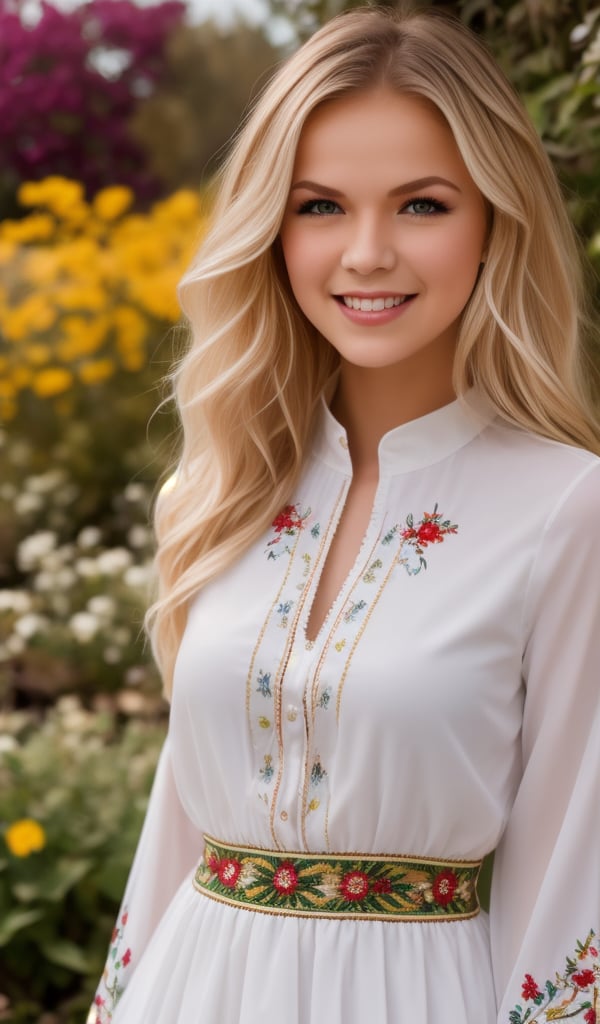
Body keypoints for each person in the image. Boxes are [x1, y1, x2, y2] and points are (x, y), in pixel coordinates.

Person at [90, 5, 600, 1023]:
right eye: (320, 206)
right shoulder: (217, 491)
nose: (367, 253)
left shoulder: (568, 508)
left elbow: (574, 862)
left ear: (496, 220)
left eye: (421, 205)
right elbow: (175, 834)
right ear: (272, 226)